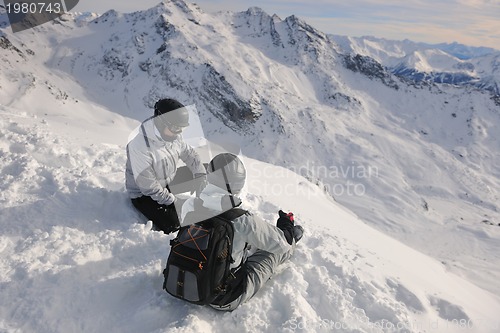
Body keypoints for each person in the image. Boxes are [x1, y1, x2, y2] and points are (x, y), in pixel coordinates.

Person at [180, 153, 304, 311]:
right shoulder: (240, 219)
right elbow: (282, 244)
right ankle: (296, 237)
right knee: (274, 252)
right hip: (224, 297)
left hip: (185, 280)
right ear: (237, 183)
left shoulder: (191, 205)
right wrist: (287, 225)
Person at [125, 98, 207, 234]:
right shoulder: (139, 147)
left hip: (166, 180)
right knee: (174, 224)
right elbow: (149, 187)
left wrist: (200, 175)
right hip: (144, 195)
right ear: (160, 122)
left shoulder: (173, 136)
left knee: (207, 169)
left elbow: (190, 154)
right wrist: (174, 201)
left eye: (182, 128)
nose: (179, 132)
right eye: (175, 128)